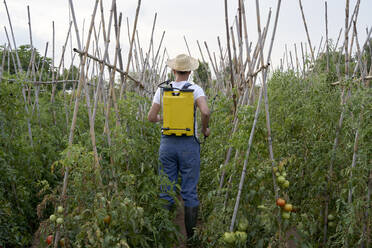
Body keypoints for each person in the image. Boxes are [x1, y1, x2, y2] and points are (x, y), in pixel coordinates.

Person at [147, 54, 210, 241]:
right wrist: (205, 128)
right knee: (189, 190)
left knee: (166, 188)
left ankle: (162, 237)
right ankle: (190, 238)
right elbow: (205, 111)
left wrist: (163, 119)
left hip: (167, 143)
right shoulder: (195, 89)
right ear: (189, 72)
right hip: (188, 144)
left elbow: (151, 117)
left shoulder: (163, 90)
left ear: (173, 71)